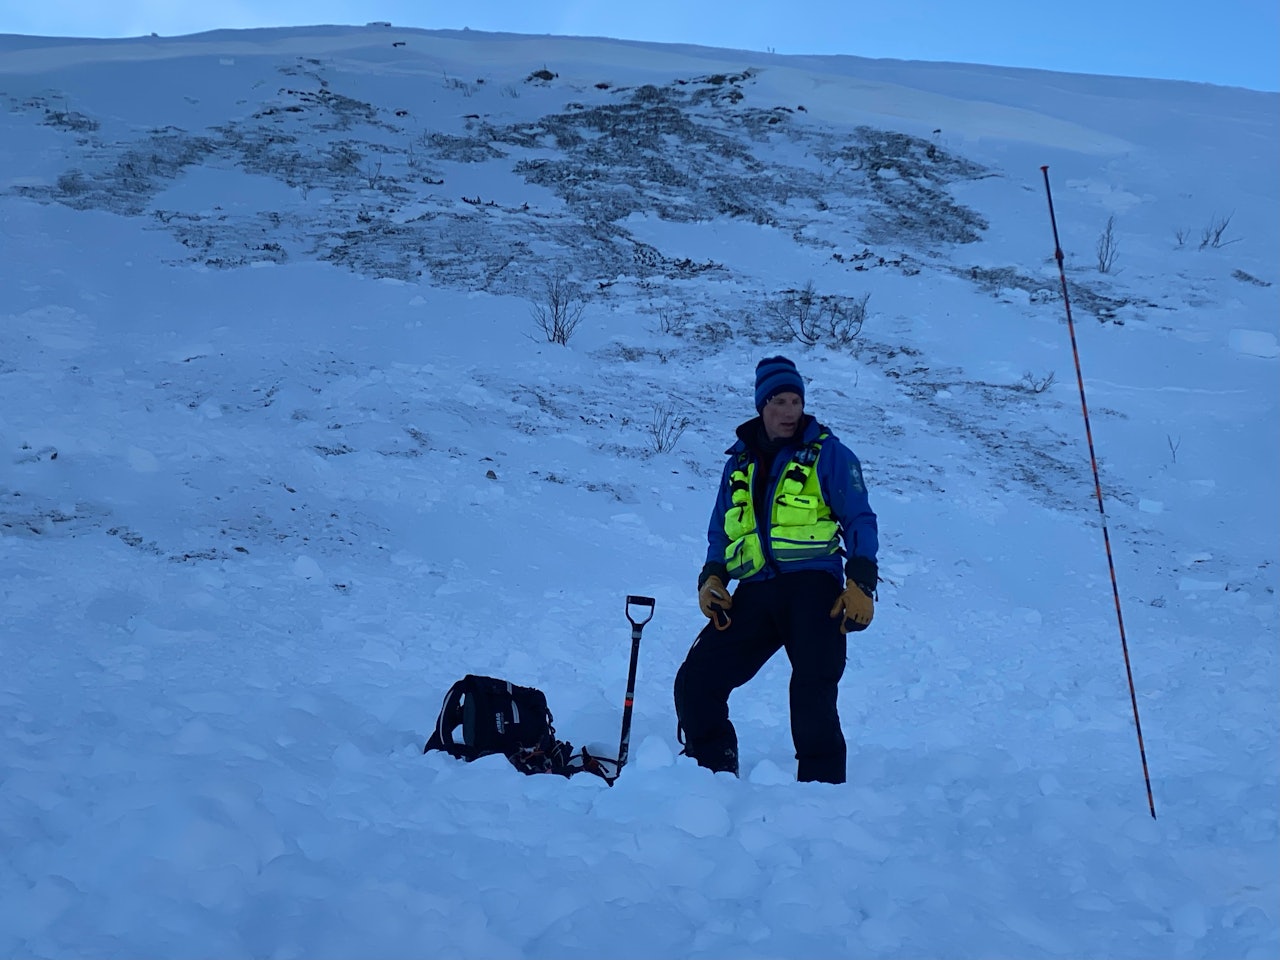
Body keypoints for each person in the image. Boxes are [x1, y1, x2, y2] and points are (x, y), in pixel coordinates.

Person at [674, 356, 879, 783]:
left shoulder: (828, 454)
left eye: (795, 401)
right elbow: (721, 529)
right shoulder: (739, 463)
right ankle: (712, 775)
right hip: (756, 590)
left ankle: (821, 793)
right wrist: (712, 577)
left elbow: (859, 517)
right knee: (697, 679)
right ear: (761, 405)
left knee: (812, 690)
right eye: (779, 401)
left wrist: (860, 581)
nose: (789, 411)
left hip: (814, 588)